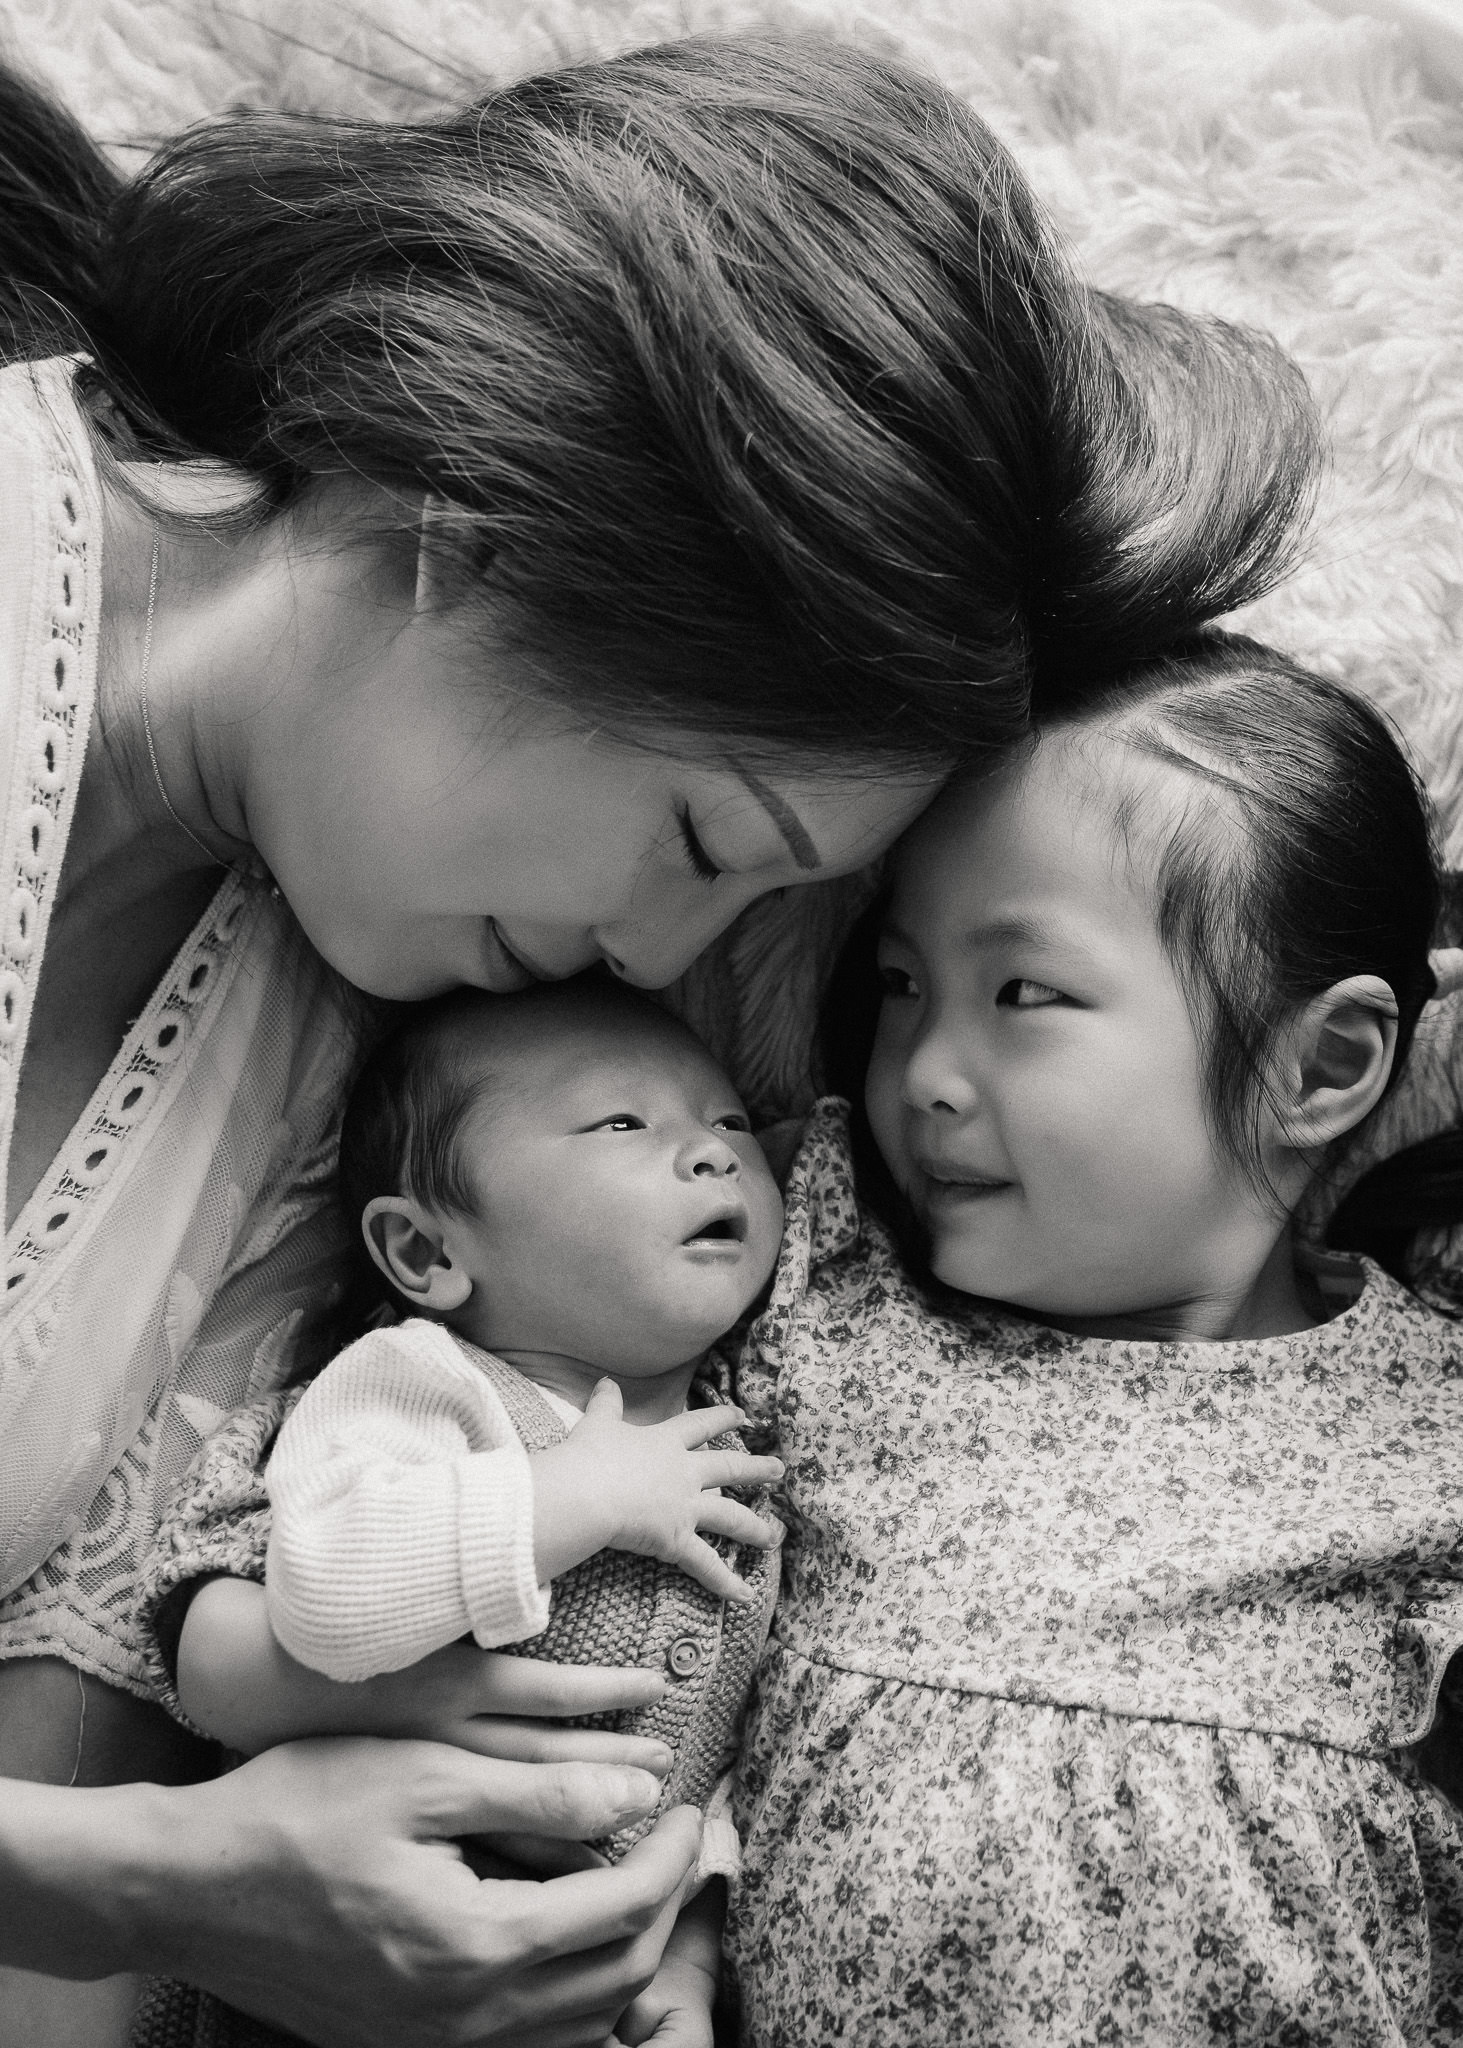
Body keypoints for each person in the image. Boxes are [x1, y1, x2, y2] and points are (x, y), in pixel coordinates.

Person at [0, 27, 1319, 2047]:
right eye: (702, 839)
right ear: (482, 514)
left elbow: (103, 1670)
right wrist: (139, 1888)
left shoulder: (335, 1024)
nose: (651, 953)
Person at [725, 635, 1463, 2043]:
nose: (922, 1074)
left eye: (1020, 996)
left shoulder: (1425, 1430)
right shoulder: (813, 1283)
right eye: (894, 986)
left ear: (1315, 1067)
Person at [136, 979, 787, 2048]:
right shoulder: (419, 1383)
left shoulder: (734, 1445)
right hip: (338, 1967)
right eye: (623, 1122)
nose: (714, 1152)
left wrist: (686, 1948)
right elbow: (324, 1591)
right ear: (428, 1254)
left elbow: (718, 1746)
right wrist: (575, 1494)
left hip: (574, 1986)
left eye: (728, 1120)